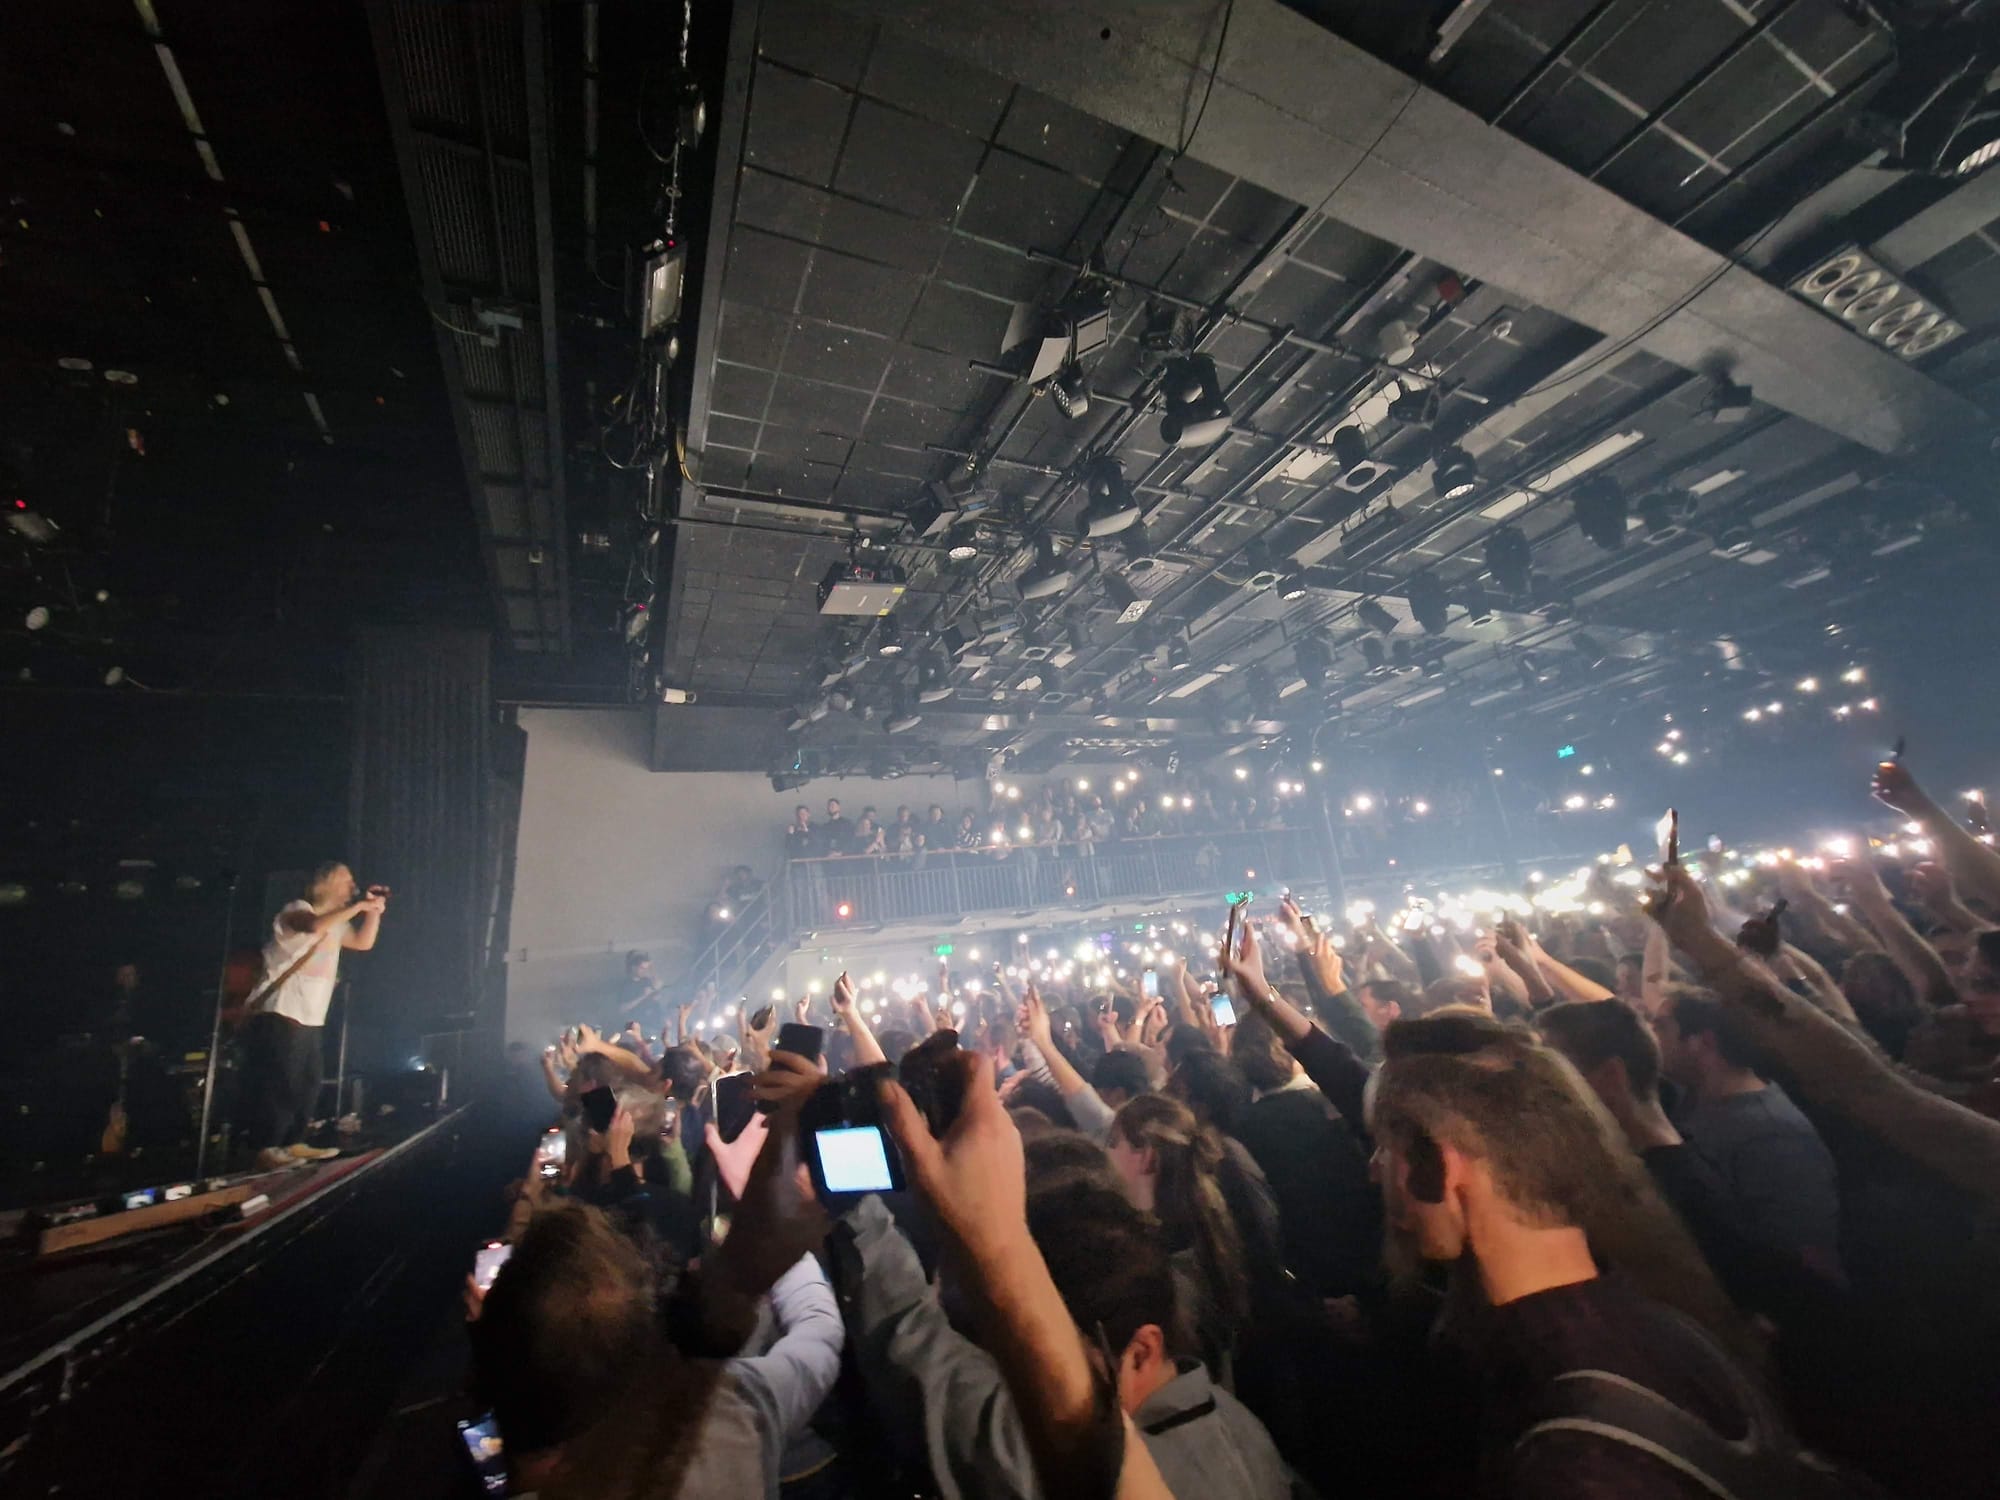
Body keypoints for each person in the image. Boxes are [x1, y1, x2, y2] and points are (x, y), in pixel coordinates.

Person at [1370, 1010, 1791, 1499]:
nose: (1374, 1172)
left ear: (1443, 1161)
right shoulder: (1674, 1324)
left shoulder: (1572, 1459)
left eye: (1385, 1149)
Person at [1654, 986, 1843, 1276]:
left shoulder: (1774, 1136)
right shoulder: (1693, 1097)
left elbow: (1811, 1259)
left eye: (1661, 1028)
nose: (1652, 1040)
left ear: (1703, 1042)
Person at [241, 862, 384, 1170]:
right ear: (327, 881)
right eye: (347, 879)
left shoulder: (338, 922)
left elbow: (363, 942)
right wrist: (360, 905)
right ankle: (266, 1145)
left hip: (311, 1015)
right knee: (281, 1082)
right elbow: (314, 926)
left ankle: (294, 1141)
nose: (353, 886)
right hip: (281, 1010)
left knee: (309, 1081)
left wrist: (373, 912)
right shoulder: (297, 909)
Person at [617, 950, 664, 1032]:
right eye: (642, 968)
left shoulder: (646, 980)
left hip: (654, 1023)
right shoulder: (625, 985)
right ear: (634, 967)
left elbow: (657, 997)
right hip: (638, 1026)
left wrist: (656, 993)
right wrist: (643, 996)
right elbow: (622, 1009)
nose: (645, 971)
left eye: (647, 968)